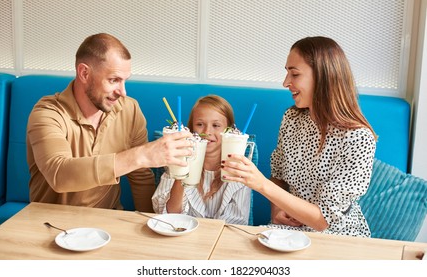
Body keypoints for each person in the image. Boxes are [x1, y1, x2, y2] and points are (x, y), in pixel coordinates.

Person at [221, 36, 376, 236]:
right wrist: (276, 209)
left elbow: (322, 220)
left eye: (294, 74)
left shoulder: (358, 138)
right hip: (289, 231)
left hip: (336, 237)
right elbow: (278, 175)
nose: (286, 82)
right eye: (287, 73)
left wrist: (260, 184)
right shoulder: (292, 118)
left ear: (323, 77)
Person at [26, 33, 193, 212]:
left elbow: (140, 179)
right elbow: (59, 174)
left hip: (107, 223)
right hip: (50, 224)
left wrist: (153, 226)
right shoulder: (48, 113)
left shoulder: (129, 109)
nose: (123, 92)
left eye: (124, 81)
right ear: (84, 73)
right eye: (114, 80)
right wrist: (142, 156)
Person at [152, 95, 252, 225]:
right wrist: (181, 174)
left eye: (216, 125)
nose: (207, 131)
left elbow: (237, 222)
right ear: (191, 129)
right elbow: (166, 215)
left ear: (229, 131)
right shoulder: (176, 162)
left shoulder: (239, 171)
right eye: (200, 124)